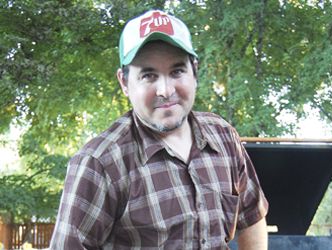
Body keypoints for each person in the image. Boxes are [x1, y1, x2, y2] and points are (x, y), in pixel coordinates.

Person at [50, 9, 269, 249]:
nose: (165, 90)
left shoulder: (224, 137)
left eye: (177, 71)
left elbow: (252, 217)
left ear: (194, 71)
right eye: (148, 75)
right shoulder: (99, 163)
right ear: (124, 82)